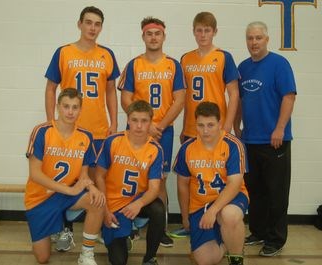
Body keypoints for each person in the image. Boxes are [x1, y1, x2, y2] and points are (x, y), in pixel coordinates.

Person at [44, 5, 120, 247]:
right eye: (88, 23)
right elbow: (50, 88)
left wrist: (115, 122)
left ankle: (93, 225)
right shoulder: (64, 52)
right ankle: (63, 229)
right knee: (66, 178)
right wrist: (50, 123)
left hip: (97, 130)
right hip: (68, 129)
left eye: (97, 24)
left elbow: (110, 91)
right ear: (79, 24)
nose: (92, 28)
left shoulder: (106, 54)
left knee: (97, 179)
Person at [118, 16, 186, 247]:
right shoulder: (134, 64)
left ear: (164, 36)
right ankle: (131, 225)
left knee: (161, 179)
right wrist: (145, 125)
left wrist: (160, 125)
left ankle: (160, 228)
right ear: (143, 36)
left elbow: (180, 99)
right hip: (137, 129)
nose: (154, 37)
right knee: (132, 174)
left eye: (157, 33)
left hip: (162, 131)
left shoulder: (173, 65)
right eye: (149, 33)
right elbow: (125, 99)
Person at [234, 21, 297, 257]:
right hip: (250, 141)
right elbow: (238, 100)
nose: (254, 42)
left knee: (276, 193)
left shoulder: (280, 64)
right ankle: (258, 232)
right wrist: (235, 128)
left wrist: (279, 128)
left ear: (267, 39)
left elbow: (288, 97)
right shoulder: (243, 67)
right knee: (255, 191)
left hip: (275, 140)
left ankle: (276, 238)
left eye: (258, 38)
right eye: (250, 38)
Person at [25, 88, 105, 265]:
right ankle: (52, 228)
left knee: (97, 201)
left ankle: (86, 254)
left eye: (75, 107)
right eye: (66, 106)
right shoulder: (42, 131)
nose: (70, 112)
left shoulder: (85, 136)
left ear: (80, 110)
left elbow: (84, 175)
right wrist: (69, 190)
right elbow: (35, 174)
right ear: (58, 107)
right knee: (43, 258)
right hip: (40, 198)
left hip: (67, 195)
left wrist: (92, 188)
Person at [174, 101, 249, 265]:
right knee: (204, 260)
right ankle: (227, 241)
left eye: (210, 125)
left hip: (231, 199)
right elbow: (182, 186)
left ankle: (236, 258)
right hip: (200, 205)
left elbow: (234, 184)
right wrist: (185, 217)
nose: (205, 130)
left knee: (228, 215)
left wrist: (214, 210)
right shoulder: (187, 149)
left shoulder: (233, 145)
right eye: (201, 125)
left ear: (220, 123)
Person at [95, 100, 166, 265]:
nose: (139, 126)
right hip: (114, 206)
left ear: (150, 122)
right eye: (134, 120)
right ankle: (124, 235)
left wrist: (138, 204)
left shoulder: (155, 149)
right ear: (127, 120)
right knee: (118, 261)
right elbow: (99, 177)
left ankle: (150, 258)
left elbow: (154, 189)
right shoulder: (113, 142)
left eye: (144, 121)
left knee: (158, 208)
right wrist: (104, 211)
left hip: (137, 202)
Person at [180, 11, 239, 142]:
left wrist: (228, 126)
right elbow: (185, 96)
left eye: (207, 30)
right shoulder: (185, 59)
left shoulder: (224, 56)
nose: (203, 35)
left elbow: (234, 94)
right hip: (192, 127)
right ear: (193, 31)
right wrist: (184, 127)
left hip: (216, 126)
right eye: (199, 30)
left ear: (215, 31)